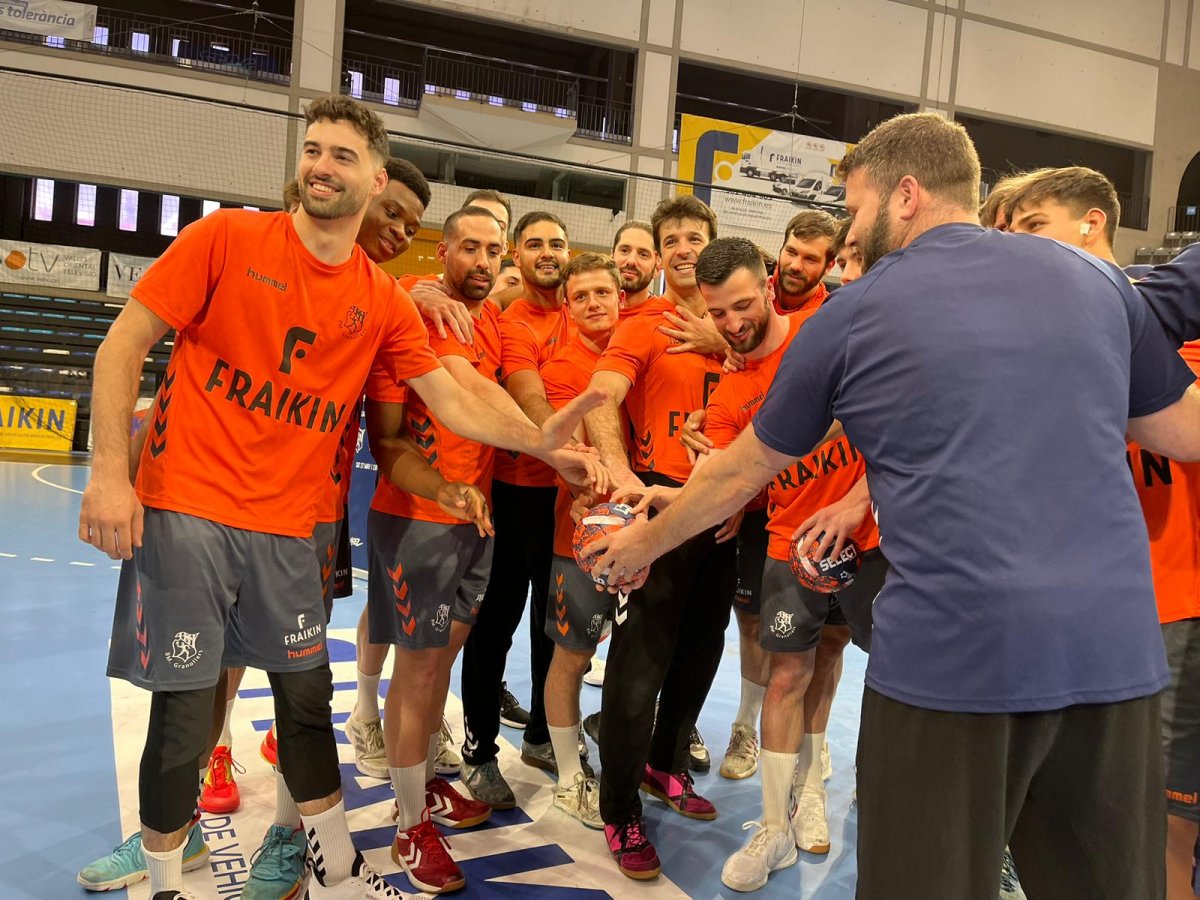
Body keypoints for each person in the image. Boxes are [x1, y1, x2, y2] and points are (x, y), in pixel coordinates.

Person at [590, 111, 1200, 900]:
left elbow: (736, 474)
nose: (851, 224)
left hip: (956, 665)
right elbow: (1184, 432)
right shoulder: (1095, 280)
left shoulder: (854, 312)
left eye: (854, 205)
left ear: (904, 194)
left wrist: (641, 544)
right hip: (1115, 661)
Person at [78, 94, 603, 900]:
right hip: (188, 507)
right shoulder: (226, 238)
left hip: (299, 521)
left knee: (302, 699)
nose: (323, 166)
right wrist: (110, 472)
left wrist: (539, 441)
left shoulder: (389, 301)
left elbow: (457, 392)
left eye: (343, 155)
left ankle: (298, 846)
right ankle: (164, 844)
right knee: (190, 703)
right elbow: (123, 345)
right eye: (314, 151)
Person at [1007, 165, 1200, 900]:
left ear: (1092, 223)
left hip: (1173, 608)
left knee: (1162, 833)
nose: (1017, 249)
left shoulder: (1160, 332)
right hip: (1094, 615)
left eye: (1032, 226)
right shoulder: (1049, 345)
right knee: (1101, 818)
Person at [580, 195, 733, 880]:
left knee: (701, 654)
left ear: (713, 245)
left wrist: (723, 341)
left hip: (725, 512)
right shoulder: (643, 323)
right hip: (659, 506)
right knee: (638, 665)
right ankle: (619, 812)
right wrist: (617, 475)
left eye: (693, 237)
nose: (681, 248)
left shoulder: (744, 330)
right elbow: (603, 394)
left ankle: (663, 767)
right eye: (669, 238)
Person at [366, 206, 517, 894]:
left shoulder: (489, 319)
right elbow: (389, 433)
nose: (482, 261)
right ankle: (407, 825)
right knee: (419, 674)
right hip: (418, 517)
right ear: (444, 251)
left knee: (439, 668)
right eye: (469, 249)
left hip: (473, 520)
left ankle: (422, 784)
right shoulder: (413, 313)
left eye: (493, 250)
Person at [458, 211, 579, 808]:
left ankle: (540, 736)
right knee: (494, 626)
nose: (548, 253)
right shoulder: (508, 322)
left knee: (554, 628)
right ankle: (479, 752)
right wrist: (571, 456)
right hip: (515, 492)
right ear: (516, 255)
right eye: (534, 244)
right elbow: (527, 395)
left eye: (557, 243)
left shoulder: (585, 315)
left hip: (569, 503)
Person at [537, 252, 624, 830]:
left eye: (603, 293)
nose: (594, 304)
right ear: (567, 307)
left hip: (648, 533)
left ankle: (620, 757)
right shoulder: (564, 369)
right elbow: (564, 455)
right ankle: (570, 775)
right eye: (582, 296)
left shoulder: (639, 355)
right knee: (573, 656)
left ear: (621, 297)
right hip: (583, 541)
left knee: (631, 658)